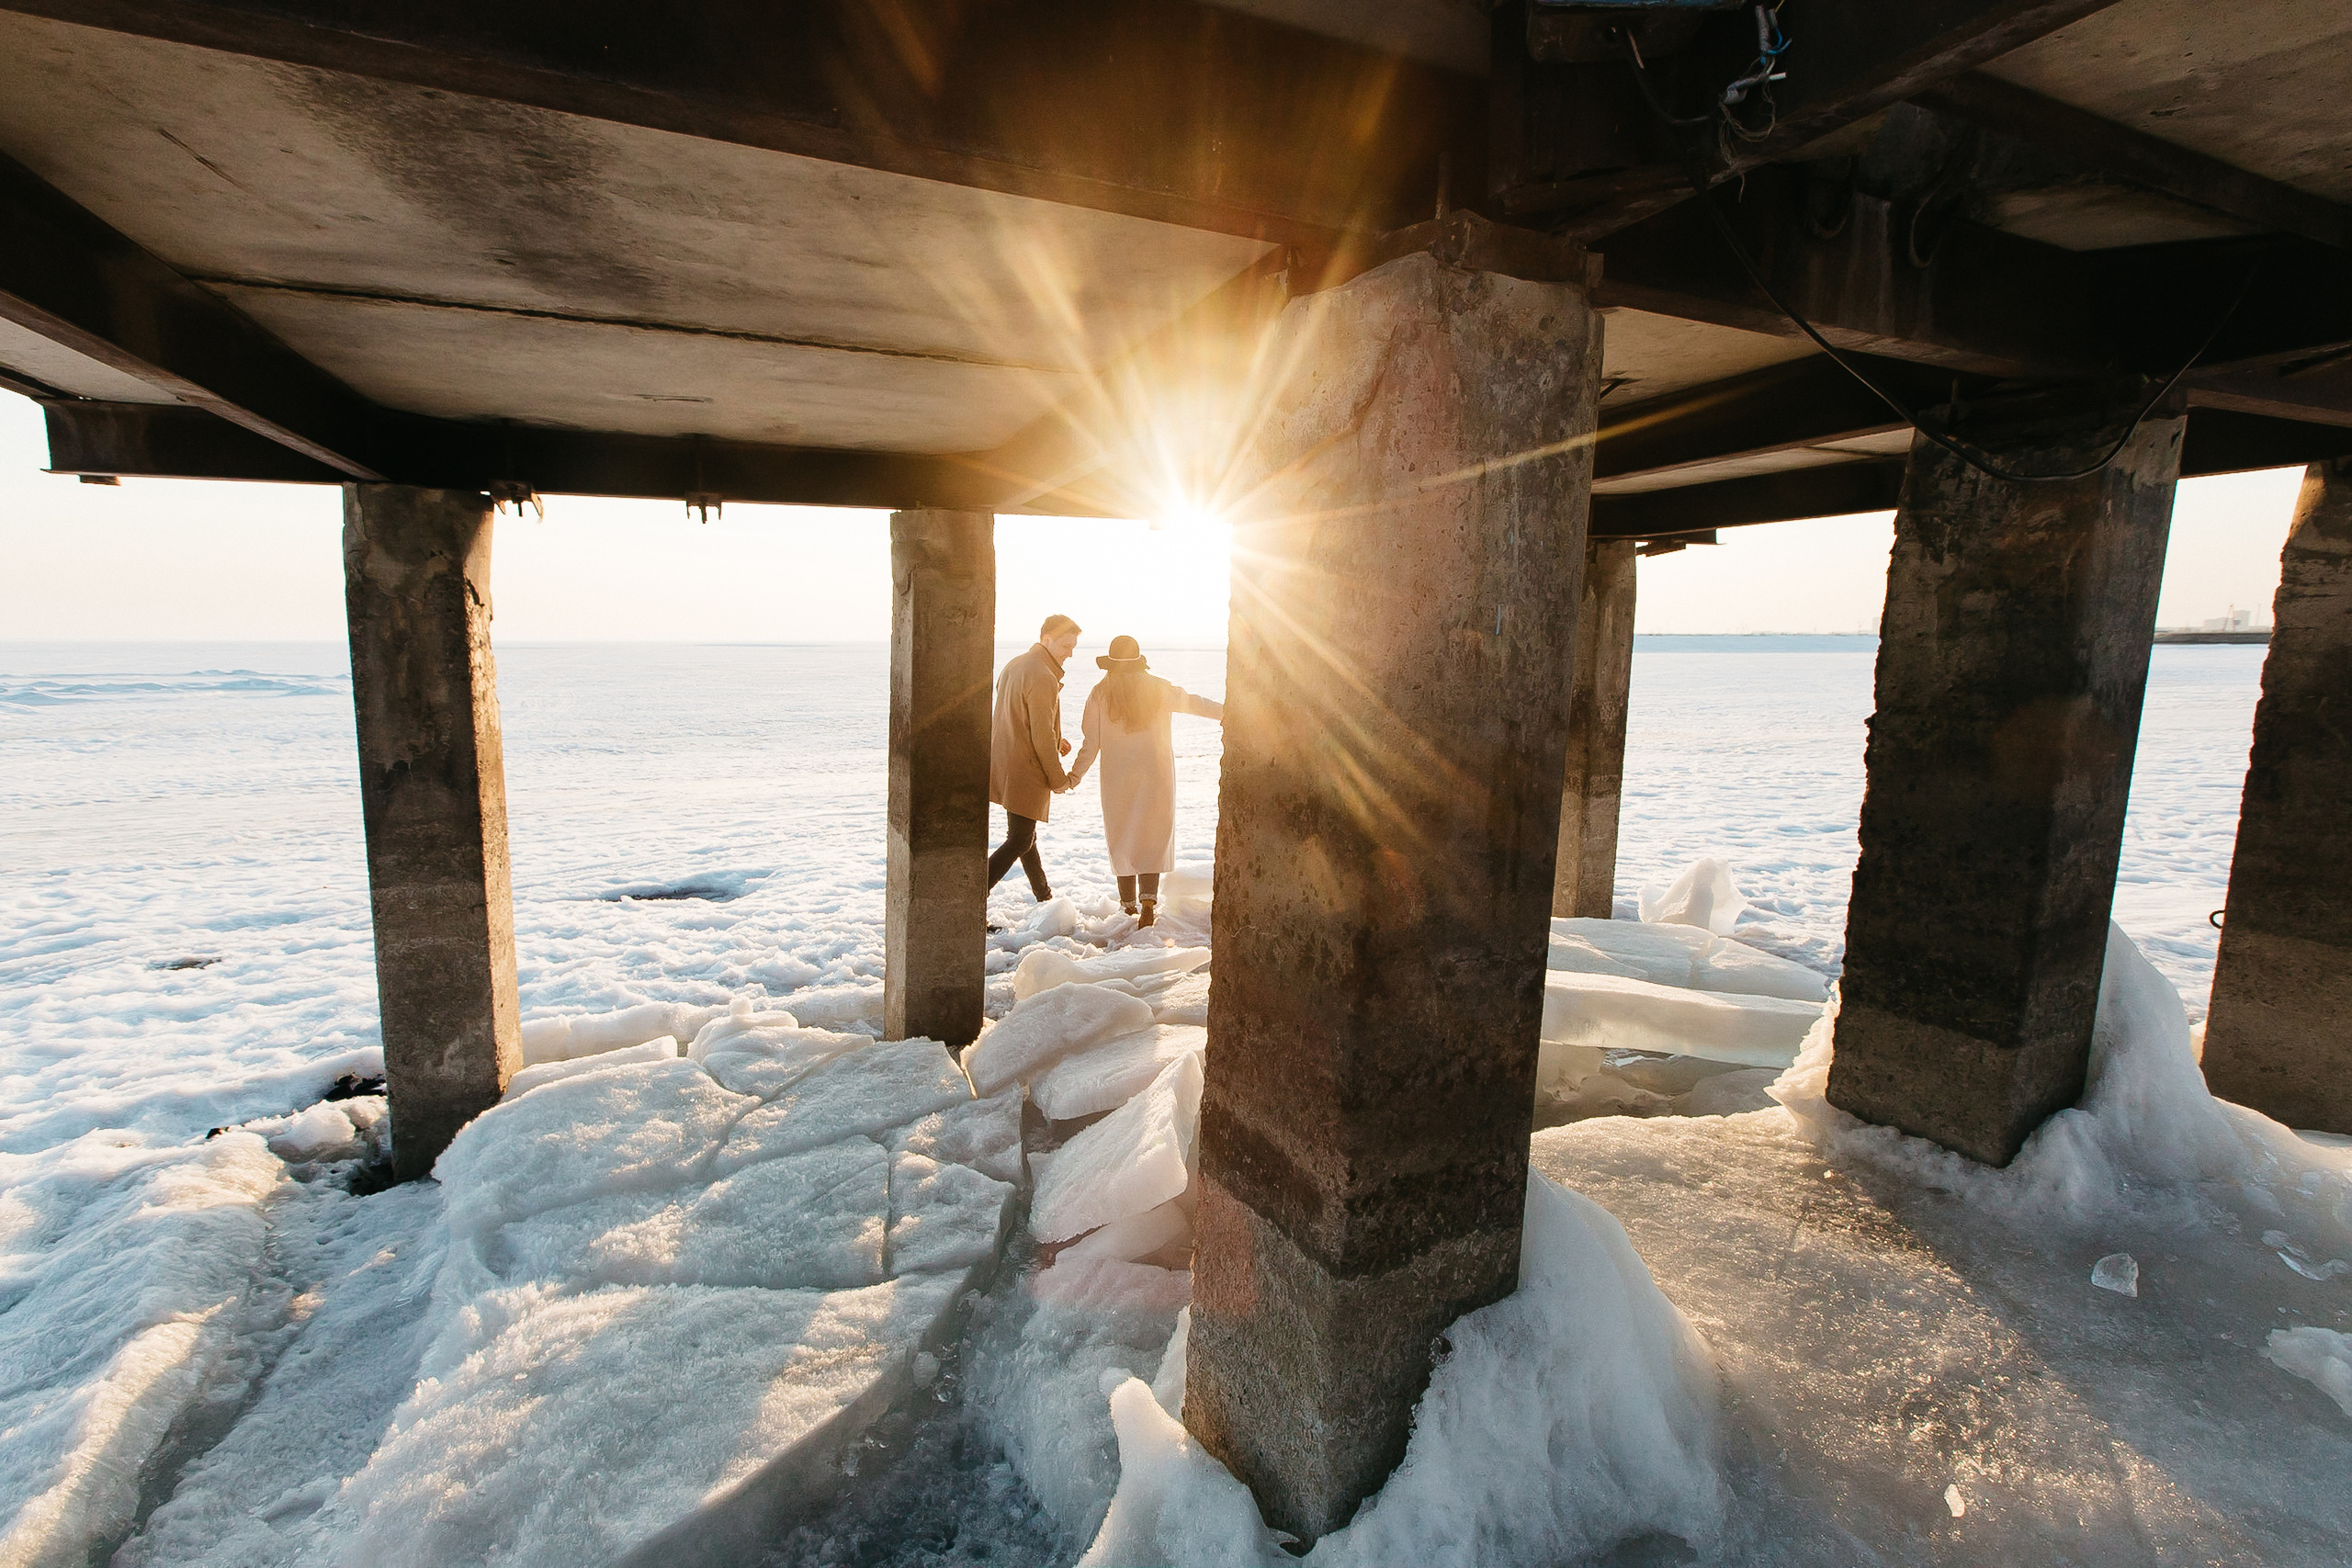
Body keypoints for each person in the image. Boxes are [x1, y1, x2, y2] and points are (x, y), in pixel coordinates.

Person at [1068, 636, 1223, 927]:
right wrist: (1230, 713)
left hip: (1117, 777)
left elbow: (1091, 744)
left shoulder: (1100, 693)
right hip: (1156, 774)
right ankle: (1148, 902)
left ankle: (1127, 907)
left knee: (1123, 836)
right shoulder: (1158, 687)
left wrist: (1074, 776)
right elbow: (1194, 704)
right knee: (1152, 835)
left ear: (1111, 664)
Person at [988, 614, 1081, 903]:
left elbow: (1018, 715)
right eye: (1066, 646)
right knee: (1019, 839)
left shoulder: (1015, 664)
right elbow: (1039, 737)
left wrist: (1057, 739)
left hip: (1005, 761)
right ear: (1046, 639)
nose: (1070, 654)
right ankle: (972, 897)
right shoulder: (1043, 676)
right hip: (1026, 768)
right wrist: (1059, 780)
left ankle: (1045, 898)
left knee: (1024, 837)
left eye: (1073, 647)